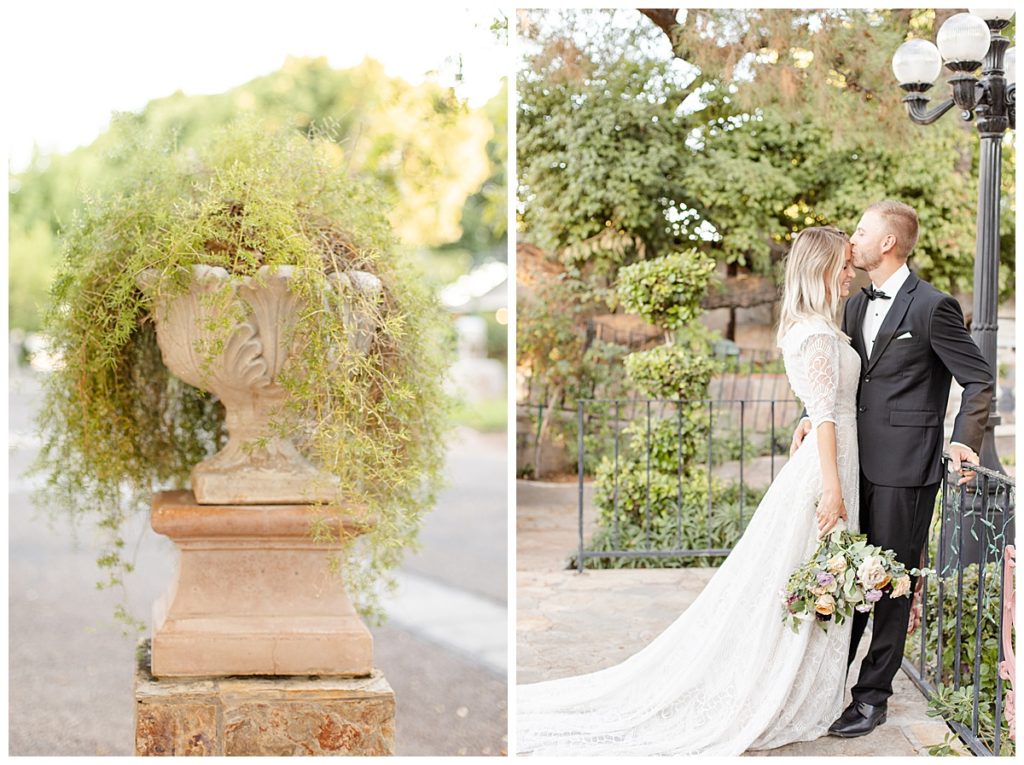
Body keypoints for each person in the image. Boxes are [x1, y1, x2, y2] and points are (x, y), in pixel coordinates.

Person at [517, 226, 863, 756]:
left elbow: (820, 405)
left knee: (810, 577)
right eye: (842, 264)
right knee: (810, 576)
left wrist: (809, 421)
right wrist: (833, 489)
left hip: (830, 459)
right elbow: (824, 413)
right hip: (826, 471)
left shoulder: (814, 329)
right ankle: (779, 687)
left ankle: (801, 681)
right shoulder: (816, 334)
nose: (850, 273)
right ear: (818, 269)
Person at [790, 200, 993, 738]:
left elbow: (978, 379)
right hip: (852, 464)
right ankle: (827, 685)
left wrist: (961, 442)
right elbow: (832, 378)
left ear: (887, 243)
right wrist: (809, 418)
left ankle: (871, 698)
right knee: (849, 579)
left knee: (891, 586)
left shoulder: (932, 307)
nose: (850, 240)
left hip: (906, 470)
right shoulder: (854, 306)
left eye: (860, 231)